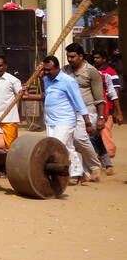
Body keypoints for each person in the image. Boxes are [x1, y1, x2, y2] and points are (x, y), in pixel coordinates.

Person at [40, 54, 96, 186]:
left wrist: (87, 122)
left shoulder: (68, 81)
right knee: (67, 148)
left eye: (49, 70)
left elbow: (79, 102)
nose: (47, 73)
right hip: (50, 121)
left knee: (56, 147)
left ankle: (59, 174)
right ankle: (80, 173)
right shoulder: (46, 80)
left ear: (58, 68)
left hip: (65, 121)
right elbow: (47, 96)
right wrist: (28, 95)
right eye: (45, 70)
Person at [65, 43, 110, 175]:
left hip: (88, 110)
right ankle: (82, 172)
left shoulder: (92, 72)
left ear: (81, 56)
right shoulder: (65, 71)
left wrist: (101, 118)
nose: (70, 59)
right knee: (72, 142)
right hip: (69, 111)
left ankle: (94, 166)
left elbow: (99, 98)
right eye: (68, 56)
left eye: (72, 57)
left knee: (80, 138)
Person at [92, 49, 119, 169]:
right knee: (95, 136)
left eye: (98, 57)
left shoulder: (110, 73)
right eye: (94, 57)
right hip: (92, 109)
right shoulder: (91, 71)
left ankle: (105, 161)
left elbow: (114, 92)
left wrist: (117, 111)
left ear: (104, 59)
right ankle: (105, 164)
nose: (95, 59)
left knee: (103, 135)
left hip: (106, 109)